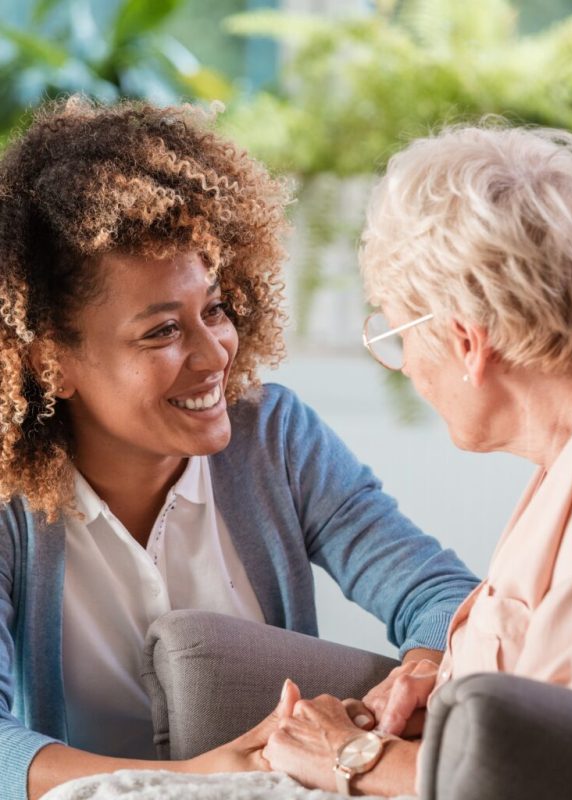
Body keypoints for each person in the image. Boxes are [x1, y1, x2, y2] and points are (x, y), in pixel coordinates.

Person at [0, 97, 477, 800]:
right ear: (49, 364)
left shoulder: (275, 438)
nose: (213, 352)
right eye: (161, 332)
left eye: (214, 310)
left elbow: (438, 592)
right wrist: (186, 783)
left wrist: (419, 675)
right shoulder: (9, 498)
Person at [263, 121, 572, 796]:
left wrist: (353, 756)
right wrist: (443, 689)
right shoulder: (563, 461)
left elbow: (554, 773)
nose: (407, 367)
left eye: (397, 331)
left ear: (467, 341)